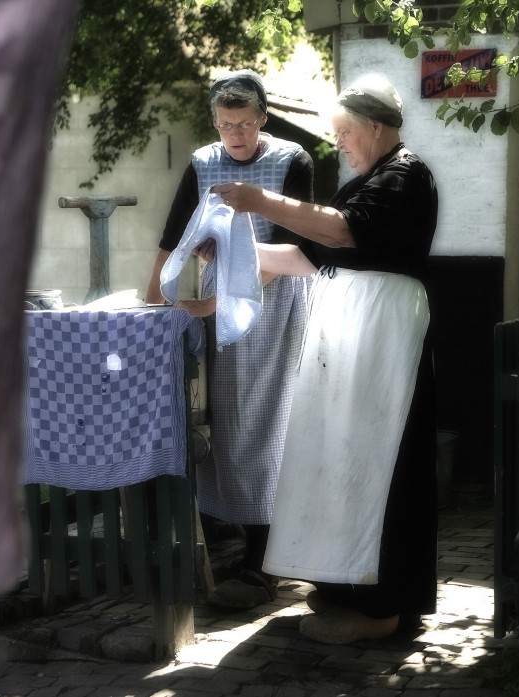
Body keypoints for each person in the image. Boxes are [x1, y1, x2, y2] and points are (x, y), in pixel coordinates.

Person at [211, 73, 439, 644]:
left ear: (376, 128)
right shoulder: (366, 180)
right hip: (355, 327)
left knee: (378, 456)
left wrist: (260, 200)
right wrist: (226, 257)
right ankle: (348, 588)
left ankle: (385, 607)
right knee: (341, 451)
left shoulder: (404, 176)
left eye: (343, 134)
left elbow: (339, 235)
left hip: (384, 331)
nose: (337, 143)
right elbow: (303, 255)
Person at [144, 69, 315, 609]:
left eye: (243, 124)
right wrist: (152, 305)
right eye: (224, 125)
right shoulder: (203, 162)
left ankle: (265, 558)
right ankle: (239, 537)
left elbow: (292, 248)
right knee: (225, 418)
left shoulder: (292, 160)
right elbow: (173, 238)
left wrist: (215, 303)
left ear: (262, 118)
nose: (234, 135)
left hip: (276, 296)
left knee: (267, 419)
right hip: (220, 301)